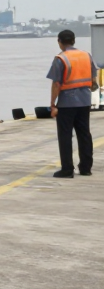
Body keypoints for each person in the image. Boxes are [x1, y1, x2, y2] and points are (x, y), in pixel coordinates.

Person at [47, 29, 96, 178]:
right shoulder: (86, 55)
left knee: (65, 135)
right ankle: (86, 168)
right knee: (84, 134)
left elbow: (56, 84)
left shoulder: (61, 59)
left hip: (67, 102)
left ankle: (67, 169)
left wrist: (53, 104)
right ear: (74, 41)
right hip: (85, 100)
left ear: (60, 42)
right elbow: (93, 80)